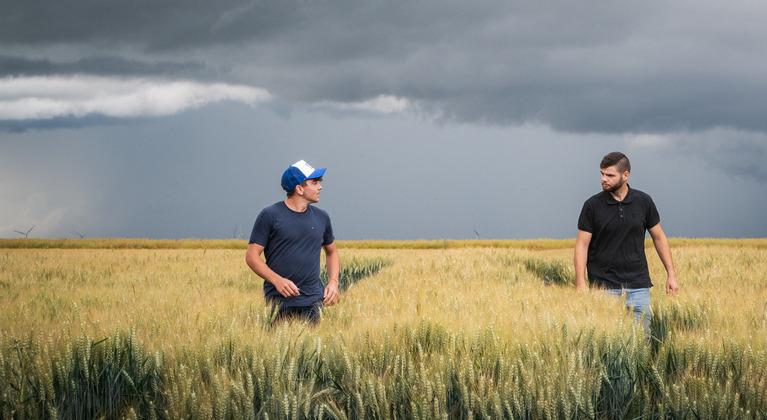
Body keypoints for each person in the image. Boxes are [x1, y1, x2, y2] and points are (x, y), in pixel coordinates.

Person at [574, 152, 679, 335]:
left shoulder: (643, 202)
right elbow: (581, 246)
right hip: (603, 287)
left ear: (625, 176)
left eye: (610, 175)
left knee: (642, 343)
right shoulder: (592, 206)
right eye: (602, 174)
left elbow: (659, 237)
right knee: (606, 345)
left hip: (638, 287)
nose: (603, 179)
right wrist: (581, 283)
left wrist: (671, 274)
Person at [246, 159, 340, 324]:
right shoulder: (270, 215)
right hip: (278, 302)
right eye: (314, 183)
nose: (320, 187)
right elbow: (252, 257)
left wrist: (333, 282)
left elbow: (332, 252)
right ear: (299, 188)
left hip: (314, 301)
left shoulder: (322, 217)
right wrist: (277, 280)